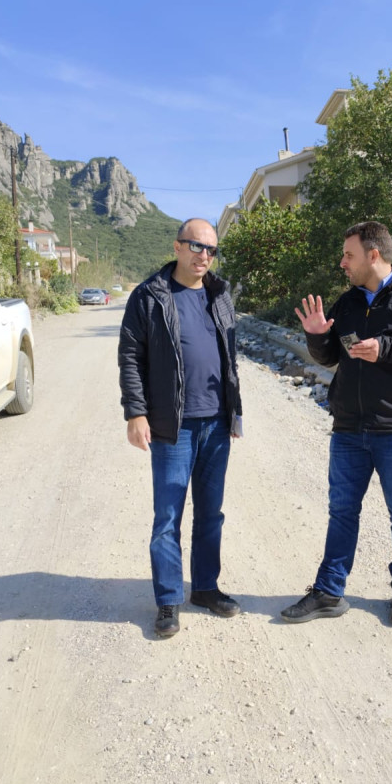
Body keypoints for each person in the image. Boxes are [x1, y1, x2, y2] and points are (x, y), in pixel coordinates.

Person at [281, 221, 392, 627]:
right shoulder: (348, 302)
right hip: (349, 427)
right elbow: (330, 357)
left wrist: (384, 348)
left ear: (373, 255)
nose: (343, 263)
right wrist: (317, 336)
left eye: (349, 255)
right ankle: (328, 591)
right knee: (342, 511)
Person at [118, 218, 243, 638]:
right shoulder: (149, 295)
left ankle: (205, 588)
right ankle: (169, 600)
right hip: (173, 427)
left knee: (211, 514)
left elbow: (230, 357)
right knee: (168, 516)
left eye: (211, 249)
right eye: (196, 246)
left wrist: (235, 411)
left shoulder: (220, 294)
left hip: (216, 423)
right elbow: (130, 356)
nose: (204, 255)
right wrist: (136, 413)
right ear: (177, 246)